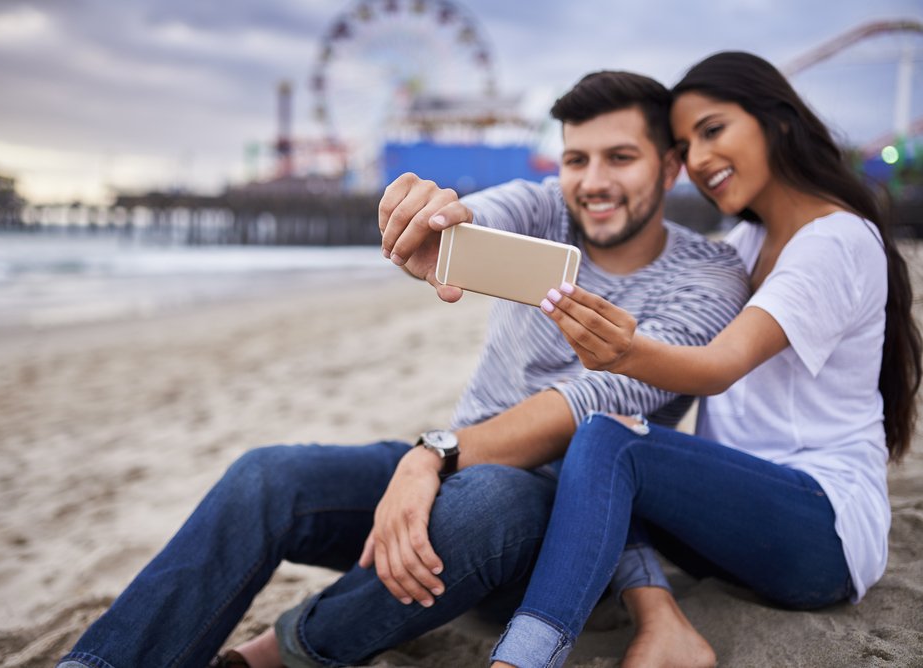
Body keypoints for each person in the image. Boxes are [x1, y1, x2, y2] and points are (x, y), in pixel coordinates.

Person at [56, 71, 750, 668]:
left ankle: (281, 652)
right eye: (575, 159)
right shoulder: (545, 210)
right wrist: (438, 222)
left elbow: (589, 403)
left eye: (620, 158)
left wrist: (428, 459)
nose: (593, 183)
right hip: (449, 470)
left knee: (497, 499)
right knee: (268, 475)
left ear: (669, 166)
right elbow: (482, 212)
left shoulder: (709, 276)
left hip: (553, 528)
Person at [489, 51, 923, 668]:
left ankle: (524, 659)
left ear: (777, 120)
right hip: (736, 521)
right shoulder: (746, 243)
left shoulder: (837, 240)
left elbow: (721, 364)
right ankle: (663, 625)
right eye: (687, 144)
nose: (699, 159)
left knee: (606, 439)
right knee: (586, 451)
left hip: (819, 535)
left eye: (714, 130)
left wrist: (626, 352)